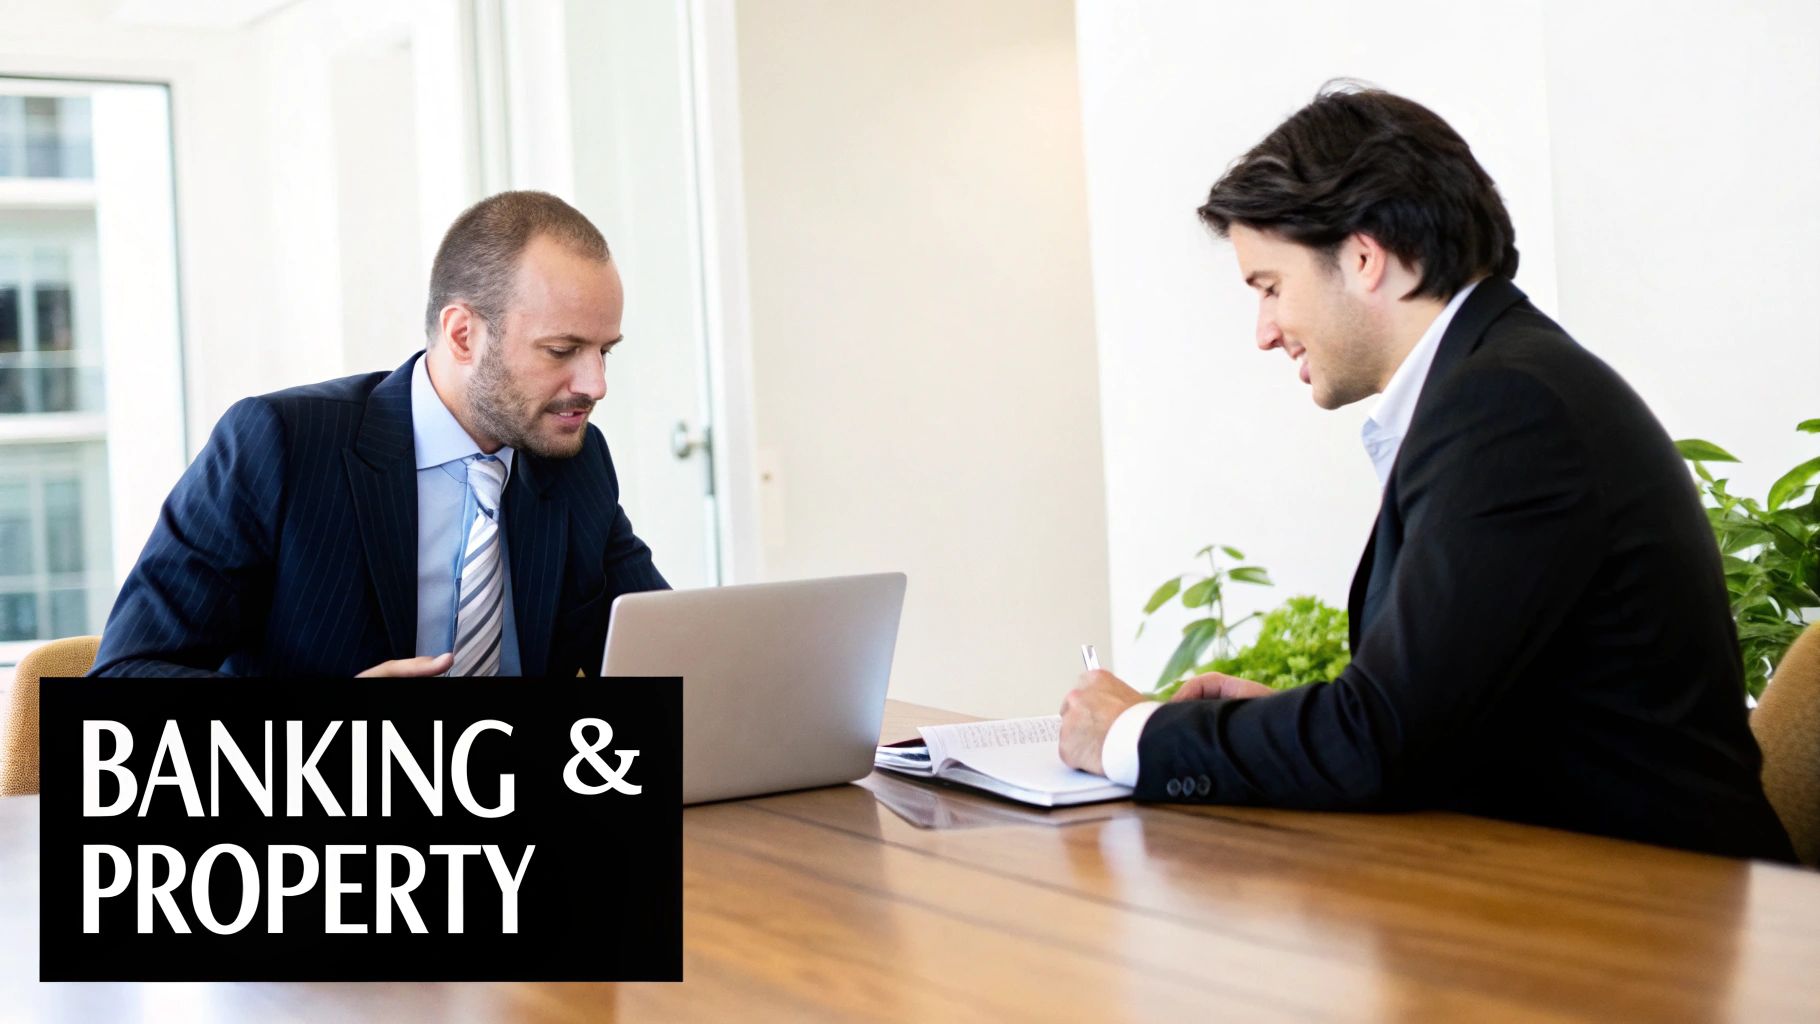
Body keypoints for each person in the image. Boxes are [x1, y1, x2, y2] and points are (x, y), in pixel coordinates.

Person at [1058, 84, 1794, 861]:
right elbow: (1436, 717)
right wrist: (1286, 729)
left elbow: (1380, 739)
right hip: (1576, 895)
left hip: (1657, 928)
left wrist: (1133, 734)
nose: (1265, 333)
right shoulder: (1500, 380)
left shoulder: (1509, 407)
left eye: (1271, 287)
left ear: (1366, 257)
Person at [91, 191, 667, 679]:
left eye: (604, 351)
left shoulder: (575, 458)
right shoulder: (279, 445)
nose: (595, 384)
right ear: (463, 335)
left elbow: (666, 650)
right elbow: (126, 675)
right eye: (562, 350)